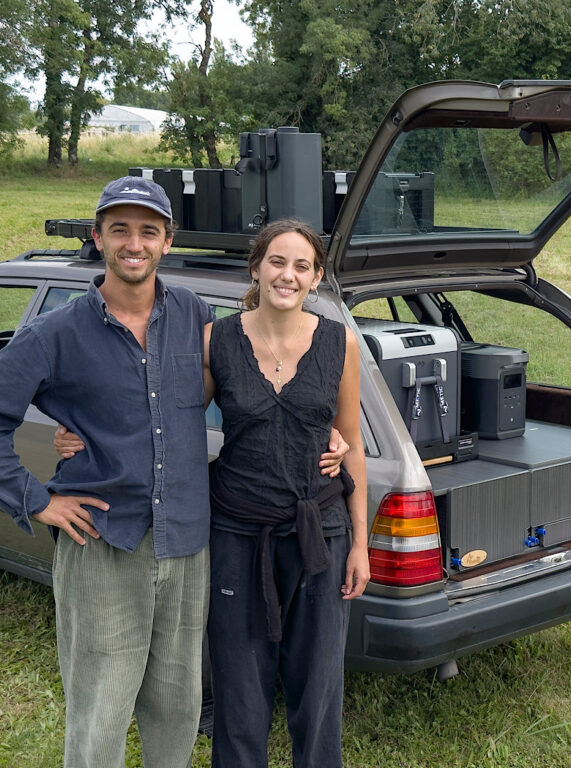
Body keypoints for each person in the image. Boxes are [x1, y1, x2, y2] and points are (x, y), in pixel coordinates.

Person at [0, 177, 347, 768]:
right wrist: (36, 500)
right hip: (105, 542)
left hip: (188, 544)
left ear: (168, 240)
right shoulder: (56, 333)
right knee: (101, 711)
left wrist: (328, 434)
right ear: (98, 238)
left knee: (177, 710)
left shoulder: (193, 317)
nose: (134, 244)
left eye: (148, 231)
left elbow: (252, 382)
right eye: (120, 230)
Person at [200, 218, 369, 768]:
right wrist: (79, 432)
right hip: (236, 533)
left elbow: (352, 444)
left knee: (317, 686)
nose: (287, 275)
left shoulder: (339, 342)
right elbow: (170, 419)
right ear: (256, 268)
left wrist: (360, 545)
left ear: (316, 277)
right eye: (277, 261)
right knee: (239, 687)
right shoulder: (217, 340)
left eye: (302, 266)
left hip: (320, 532)